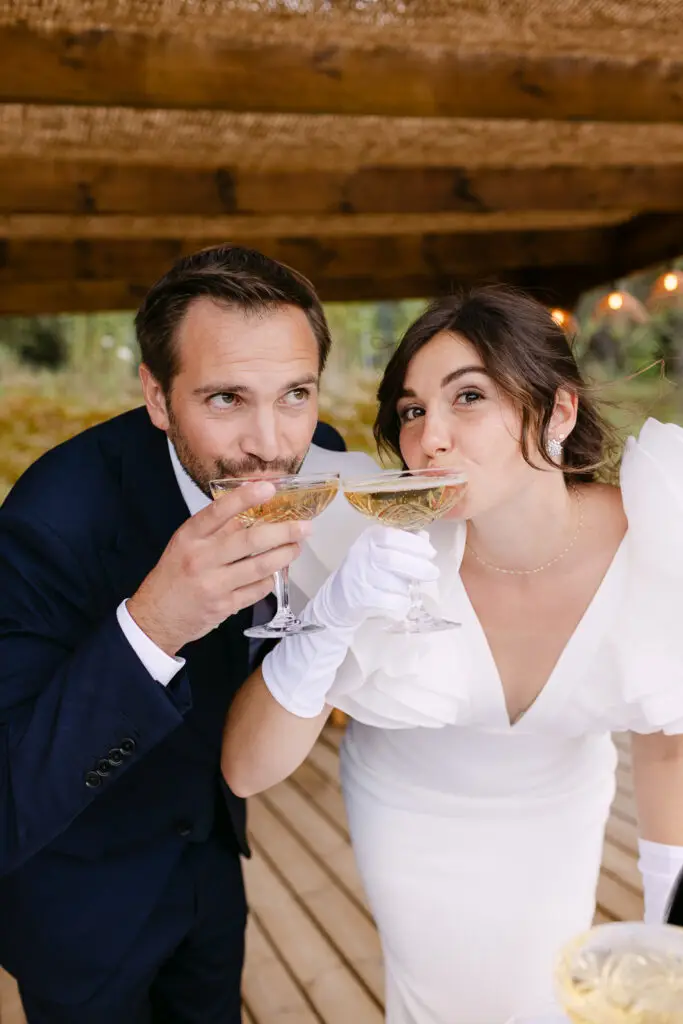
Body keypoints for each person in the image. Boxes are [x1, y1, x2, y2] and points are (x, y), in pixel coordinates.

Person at [222, 286, 683, 1023]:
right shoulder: (376, 546)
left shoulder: (658, 527)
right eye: (412, 411)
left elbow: (668, 734)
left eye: (468, 396)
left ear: (558, 411)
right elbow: (246, 770)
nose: (430, 437)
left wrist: (665, 917)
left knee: (543, 999)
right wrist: (331, 618)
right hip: (409, 811)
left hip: (559, 808)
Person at [0, 243, 375, 1024]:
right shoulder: (49, 519)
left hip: (210, 861)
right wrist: (153, 624)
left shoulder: (320, 462)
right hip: (77, 900)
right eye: (226, 398)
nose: (270, 443)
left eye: (295, 393)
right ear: (158, 397)